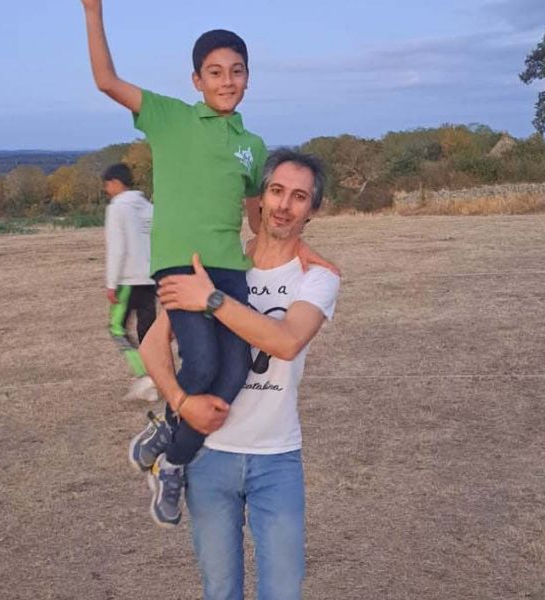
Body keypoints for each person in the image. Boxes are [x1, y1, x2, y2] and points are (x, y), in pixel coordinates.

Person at [81, 0, 335, 525]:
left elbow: (260, 217)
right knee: (200, 365)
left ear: (248, 78)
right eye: (215, 72)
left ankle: (167, 445)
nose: (227, 81)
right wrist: (92, 11)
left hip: (228, 271)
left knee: (236, 369)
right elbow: (106, 80)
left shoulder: (252, 145)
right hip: (181, 267)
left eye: (236, 71)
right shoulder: (169, 117)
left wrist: (299, 245)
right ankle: (173, 457)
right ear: (196, 80)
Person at [140, 149, 341, 599]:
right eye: (276, 191)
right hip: (210, 456)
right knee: (220, 590)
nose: (284, 205)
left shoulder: (318, 277)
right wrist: (180, 401)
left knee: (283, 590)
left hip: (277, 458)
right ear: (258, 198)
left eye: (299, 197)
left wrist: (211, 300)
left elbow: (287, 341)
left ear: (312, 209)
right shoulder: (217, 266)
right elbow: (153, 346)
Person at [102, 163, 157, 402]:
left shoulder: (117, 208)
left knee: (117, 329)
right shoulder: (149, 208)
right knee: (148, 333)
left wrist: (111, 283)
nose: (106, 190)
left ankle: (145, 375)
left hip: (127, 280)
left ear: (116, 182)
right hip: (150, 278)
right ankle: (157, 377)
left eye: (107, 184)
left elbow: (117, 248)